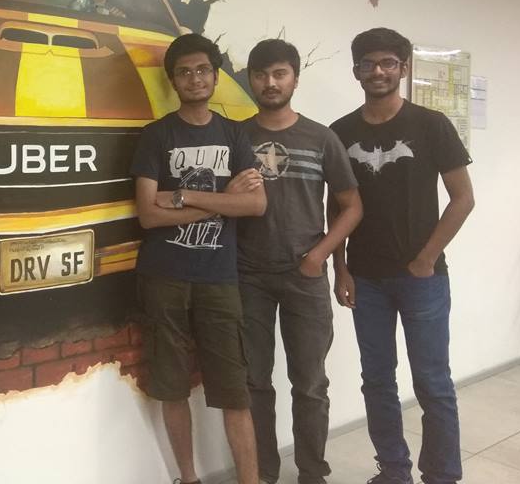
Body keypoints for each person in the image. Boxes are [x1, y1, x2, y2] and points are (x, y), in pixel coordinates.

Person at [330, 28, 474, 484]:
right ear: (356, 71)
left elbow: (463, 198)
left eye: (388, 62)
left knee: (432, 382)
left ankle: (442, 475)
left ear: (403, 68)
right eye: (369, 63)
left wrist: (427, 258)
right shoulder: (340, 132)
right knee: (377, 380)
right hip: (365, 278)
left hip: (422, 278)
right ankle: (393, 470)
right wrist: (340, 267)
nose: (378, 71)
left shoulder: (431, 125)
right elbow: (335, 208)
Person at [130, 33, 267, 484]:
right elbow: (149, 214)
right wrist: (221, 198)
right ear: (173, 81)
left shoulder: (235, 134)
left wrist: (183, 195)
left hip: (219, 278)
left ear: (215, 76)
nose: (194, 79)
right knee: (172, 387)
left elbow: (255, 204)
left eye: (203, 70)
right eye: (184, 72)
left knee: (234, 391)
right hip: (163, 276)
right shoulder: (156, 135)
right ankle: (188, 478)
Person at [237, 39, 363, 484]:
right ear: (250, 79)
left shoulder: (322, 138)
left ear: (294, 78)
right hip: (246, 275)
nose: (270, 83)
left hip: (304, 276)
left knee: (310, 384)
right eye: (260, 75)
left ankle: (312, 472)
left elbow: (352, 206)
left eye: (279, 74)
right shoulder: (236, 136)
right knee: (254, 383)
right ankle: (263, 472)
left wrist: (320, 255)